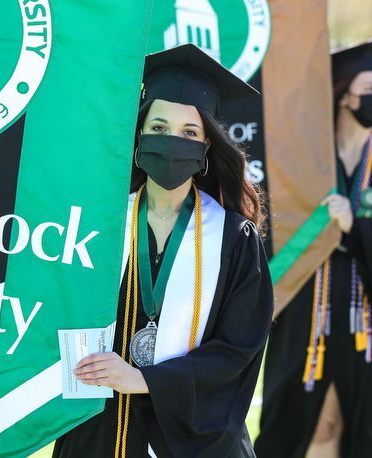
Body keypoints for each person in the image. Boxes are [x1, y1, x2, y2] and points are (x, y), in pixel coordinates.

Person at [52, 43, 274, 458]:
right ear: (138, 136)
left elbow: (238, 349)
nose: (172, 142)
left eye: (189, 133)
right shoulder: (100, 225)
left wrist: (147, 380)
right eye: (158, 128)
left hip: (189, 440)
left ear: (207, 148)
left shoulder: (233, 239)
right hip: (96, 429)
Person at [254, 38, 372, 458]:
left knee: (370, 435)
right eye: (369, 88)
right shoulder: (300, 169)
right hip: (306, 321)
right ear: (342, 96)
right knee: (313, 428)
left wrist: (354, 229)